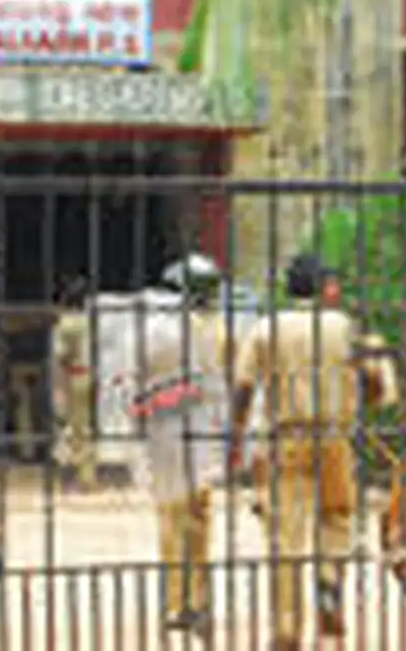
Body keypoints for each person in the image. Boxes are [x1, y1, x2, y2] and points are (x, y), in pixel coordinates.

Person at [229, 253, 396, 650]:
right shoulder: (344, 326)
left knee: (285, 536)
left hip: (285, 437)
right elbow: (376, 387)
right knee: (336, 519)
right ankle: (328, 584)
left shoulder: (266, 328)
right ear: (324, 287)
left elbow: (243, 386)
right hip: (335, 435)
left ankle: (287, 628)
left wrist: (236, 438)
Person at [140, 252, 230, 641]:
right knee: (200, 520)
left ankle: (175, 602)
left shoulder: (158, 330)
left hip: (165, 428)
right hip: (204, 430)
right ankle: (199, 599)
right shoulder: (219, 330)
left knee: (170, 519)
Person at [51, 275, 98, 491]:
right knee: (89, 426)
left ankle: (77, 475)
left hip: (74, 376)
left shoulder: (66, 323)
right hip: (95, 375)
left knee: (74, 427)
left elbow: (60, 354)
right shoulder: (95, 321)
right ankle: (87, 474)